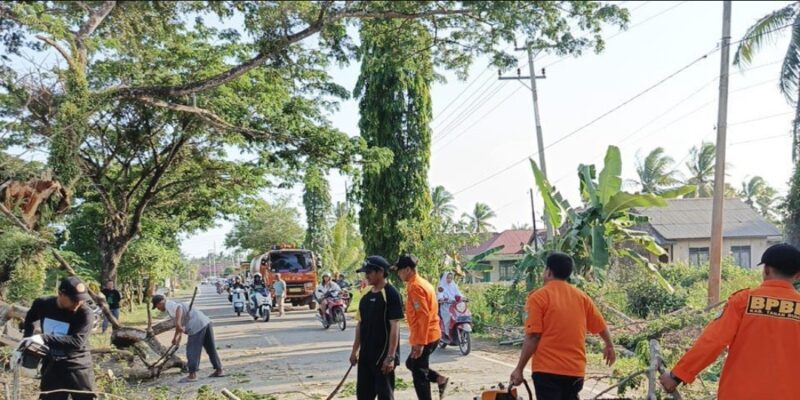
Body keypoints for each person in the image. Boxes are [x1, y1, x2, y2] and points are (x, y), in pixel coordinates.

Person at [659, 243, 800, 399]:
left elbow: (713, 341)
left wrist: (677, 376)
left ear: (766, 269)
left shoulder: (743, 301)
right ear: (798, 275)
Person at [510, 252, 615, 400]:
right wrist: (609, 345)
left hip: (547, 371)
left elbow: (533, 336)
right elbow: (601, 325)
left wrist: (519, 369)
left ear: (548, 271)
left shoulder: (538, 297)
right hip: (575, 372)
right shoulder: (581, 297)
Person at [23, 276, 95, 400]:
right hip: (52, 364)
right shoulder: (42, 304)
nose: (78, 303)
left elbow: (76, 341)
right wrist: (26, 343)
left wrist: (43, 338)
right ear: (60, 294)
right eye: (74, 299)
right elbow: (29, 319)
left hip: (77, 365)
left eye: (81, 300)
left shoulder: (85, 313)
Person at [392, 255, 449, 400]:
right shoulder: (421, 283)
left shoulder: (416, 287)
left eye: (399, 271)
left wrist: (420, 343)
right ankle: (439, 379)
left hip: (426, 336)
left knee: (419, 375)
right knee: (412, 364)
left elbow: (423, 316)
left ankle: (435, 385)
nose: (398, 274)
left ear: (408, 269)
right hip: (430, 333)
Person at [350, 256, 403, 400]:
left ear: (380, 272)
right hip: (366, 355)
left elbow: (395, 326)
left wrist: (391, 357)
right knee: (364, 395)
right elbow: (360, 324)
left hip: (383, 356)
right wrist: (355, 351)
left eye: (369, 272)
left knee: (385, 395)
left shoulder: (391, 294)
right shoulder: (365, 296)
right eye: (365, 272)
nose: (366, 276)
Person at [152, 294, 224, 382]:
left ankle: (192, 375)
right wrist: (176, 338)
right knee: (210, 348)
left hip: (196, 325)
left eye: (157, 307)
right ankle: (219, 370)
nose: (158, 309)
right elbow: (181, 325)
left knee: (192, 351)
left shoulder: (169, 305)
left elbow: (179, 309)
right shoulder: (173, 305)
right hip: (205, 322)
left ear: (160, 303)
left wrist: (178, 323)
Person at [436, 271, 462, 340]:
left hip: (454, 305)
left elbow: (459, 293)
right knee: (448, 317)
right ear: (445, 278)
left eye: (451, 278)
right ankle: (447, 333)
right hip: (445, 306)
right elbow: (440, 295)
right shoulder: (441, 286)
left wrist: (463, 298)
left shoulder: (454, 285)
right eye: (448, 278)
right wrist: (442, 299)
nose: (449, 280)